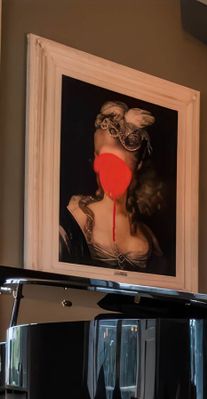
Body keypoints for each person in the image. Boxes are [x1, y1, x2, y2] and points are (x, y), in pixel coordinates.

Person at [59, 101, 168, 273]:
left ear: (137, 165)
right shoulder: (78, 217)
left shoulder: (146, 235)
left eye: (120, 164)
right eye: (106, 162)